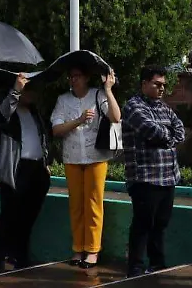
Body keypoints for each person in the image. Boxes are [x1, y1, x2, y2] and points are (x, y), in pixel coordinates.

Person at [51, 62, 121, 270]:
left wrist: (108, 89)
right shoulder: (63, 100)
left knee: (93, 203)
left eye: (78, 75)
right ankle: (78, 248)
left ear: (87, 78)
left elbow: (116, 117)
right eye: (71, 76)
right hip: (72, 158)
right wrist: (79, 120)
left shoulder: (98, 95)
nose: (74, 79)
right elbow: (56, 129)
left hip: (96, 157)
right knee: (76, 205)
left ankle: (92, 250)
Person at [122, 66, 185, 278]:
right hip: (145, 177)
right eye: (157, 84)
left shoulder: (164, 108)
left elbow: (180, 130)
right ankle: (135, 267)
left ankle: (157, 263)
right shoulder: (132, 106)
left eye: (164, 85)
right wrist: (168, 137)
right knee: (143, 223)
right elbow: (151, 131)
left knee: (161, 223)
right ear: (144, 84)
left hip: (168, 177)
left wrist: (167, 136)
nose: (161, 89)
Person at [0, 73, 51, 274]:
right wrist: (15, 89)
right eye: (28, 90)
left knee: (28, 215)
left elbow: (43, 136)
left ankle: (21, 255)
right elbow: (2, 117)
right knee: (9, 214)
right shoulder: (7, 111)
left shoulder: (34, 112)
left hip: (36, 168)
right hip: (15, 168)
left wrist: (45, 162)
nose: (33, 94)